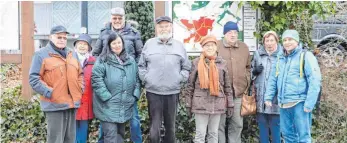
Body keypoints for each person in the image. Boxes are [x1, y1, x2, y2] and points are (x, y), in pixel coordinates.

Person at [92, 7, 143, 143]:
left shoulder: (134, 33)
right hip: (111, 91)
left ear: (124, 18)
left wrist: (132, 73)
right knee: (108, 127)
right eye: (114, 18)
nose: (117, 20)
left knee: (133, 122)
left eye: (120, 18)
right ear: (111, 18)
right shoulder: (104, 33)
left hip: (127, 90)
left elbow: (140, 55)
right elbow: (95, 54)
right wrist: (103, 65)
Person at [138, 16, 191, 143]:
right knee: (154, 128)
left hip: (172, 92)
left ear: (171, 27)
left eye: (166, 26)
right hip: (153, 92)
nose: (164, 29)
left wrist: (180, 79)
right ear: (156, 28)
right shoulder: (149, 44)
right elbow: (141, 65)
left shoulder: (179, 46)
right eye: (161, 26)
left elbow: (186, 67)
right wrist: (146, 79)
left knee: (170, 127)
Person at [264, 29, 322, 143]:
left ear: (297, 40)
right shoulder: (280, 58)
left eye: (290, 39)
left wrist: (309, 104)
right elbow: (273, 79)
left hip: (300, 103)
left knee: (303, 137)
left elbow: (315, 81)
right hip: (284, 103)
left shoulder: (306, 56)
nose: (287, 42)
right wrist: (268, 96)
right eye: (284, 40)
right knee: (287, 136)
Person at [29, 25, 84, 143]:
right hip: (54, 105)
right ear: (50, 37)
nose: (62, 40)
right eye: (59, 37)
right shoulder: (41, 54)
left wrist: (80, 88)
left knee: (70, 139)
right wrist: (50, 92)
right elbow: (34, 78)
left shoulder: (72, 53)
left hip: (71, 104)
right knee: (55, 140)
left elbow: (80, 74)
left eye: (64, 37)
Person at [185, 35, 234, 143]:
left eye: (212, 45)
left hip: (217, 103)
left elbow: (227, 86)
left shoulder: (222, 63)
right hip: (200, 104)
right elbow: (190, 85)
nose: (209, 48)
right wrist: (188, 104)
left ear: (216, 47)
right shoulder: (196, 63)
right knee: (200, 135)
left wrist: (230, 104)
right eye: (207, 45)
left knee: (213, 134)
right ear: (202, 48)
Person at [217, 21, 251, 143]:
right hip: (220, 95)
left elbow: (248, 67)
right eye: (230, 32)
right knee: (218, 125)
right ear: (224, 34)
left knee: (237, 124)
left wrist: (246, 80)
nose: (233, 35)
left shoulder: (244, 47)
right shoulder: (216, 46)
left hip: (238, 94)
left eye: (235, 32)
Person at [251, 31, 282, 143]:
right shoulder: (258, 54)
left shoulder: (282, 55)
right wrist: (254, 72)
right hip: (260, 96)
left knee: (275, 126)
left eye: (272, 40)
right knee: (262, 126)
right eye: (267, 41)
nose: (269, 43)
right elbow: (250, 72)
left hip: (276, 98)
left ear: (276, 41)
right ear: (264, 42)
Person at [74, 34, 96, 143]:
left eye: (85, 44)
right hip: (71, 101)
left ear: (89, 47)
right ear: (75, 46)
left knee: (83, 129)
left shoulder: (94, 61)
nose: (82, 46)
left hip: (87, 101)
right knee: (71, 130)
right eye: (80, 44)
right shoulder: (69, 59)